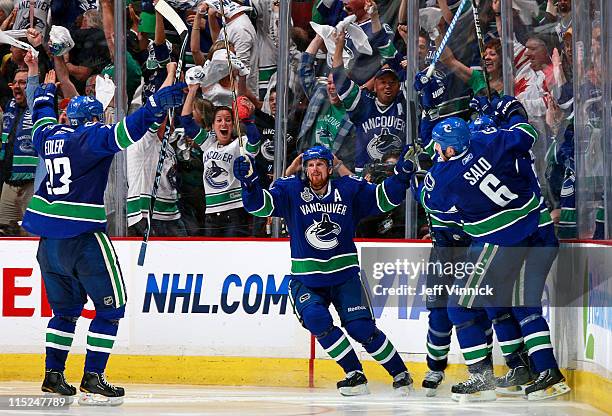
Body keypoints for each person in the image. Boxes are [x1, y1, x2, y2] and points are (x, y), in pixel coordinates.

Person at [21, 68, 186, 405]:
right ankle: (93, 376)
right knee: (112, 309)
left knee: (65, 312)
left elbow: (40, 116)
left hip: (48, 244)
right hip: (83, 239)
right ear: (92, 119)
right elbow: (125, 133)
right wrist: (154, 105)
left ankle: (53, 375)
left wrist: (43, 87)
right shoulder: (90, 138)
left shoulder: (50, 135)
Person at [413, 75, 570, 401]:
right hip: (537, 229)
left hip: (500, 243)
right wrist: (506, 106)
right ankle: (536, 370)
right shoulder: (492, 141)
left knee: (459, 305)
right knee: (517, 304)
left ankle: (484, 379)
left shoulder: (445, 178)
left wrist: (426, 113)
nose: (437, 152)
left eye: (441, 149)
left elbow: (428, 197)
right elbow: (525, 132)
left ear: (450, 148)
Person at [233, 145, 417, 395]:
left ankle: (400, 373)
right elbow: (260, 207)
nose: (314, 169)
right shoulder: (290, 190)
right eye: (310, 165)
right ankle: (355, 375)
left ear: (330, 168)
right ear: (304, 169)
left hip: (345, 276)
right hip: (307, 278)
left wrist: (401, 176)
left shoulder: (348, 189)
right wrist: (250, 184)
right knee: (316, 319)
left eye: (320, 164)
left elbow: (382, 199)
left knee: (361, 328)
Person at [180, 82, 261, 237]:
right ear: (213, 125)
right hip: (211, 213)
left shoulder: (240, 144)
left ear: (233, 124)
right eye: (219, 120)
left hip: (235, 212)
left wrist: (248, 121)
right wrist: (193, 89)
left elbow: (255, 141)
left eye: (228, 119)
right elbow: (186, 120)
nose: (224, 123)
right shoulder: (208, 144)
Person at [0, 69, 36, 235]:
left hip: (33, 184)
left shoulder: (42, 109)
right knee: (4, 233)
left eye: (22, 82)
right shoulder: (10, 105)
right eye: (15, 82)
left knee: (33, 235)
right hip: (9, 183)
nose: (17, 86)